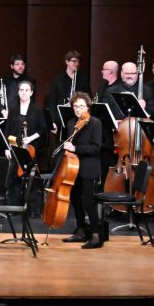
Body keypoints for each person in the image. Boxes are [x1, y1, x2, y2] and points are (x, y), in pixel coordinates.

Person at [60, 92, 105, 249]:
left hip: (89, 168)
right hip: (74, 168)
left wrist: (75, 148)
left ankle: (96, 235)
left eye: (81, 106)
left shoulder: (95, 123)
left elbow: (96, 148)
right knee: (75, 199)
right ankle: (81, 230)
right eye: (75, 106)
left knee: (88, 201)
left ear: (87, 107)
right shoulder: (71, 122)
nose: (78, 109)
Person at [46, 50, 91, 134]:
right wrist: (53, 121)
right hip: (60, 118)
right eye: (74, 61)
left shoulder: (83, 79)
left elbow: (88, 98)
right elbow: (52, 102)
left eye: (78, 61)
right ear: (67, 62)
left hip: (78, 117)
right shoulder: (57, 79)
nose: (77, 64)